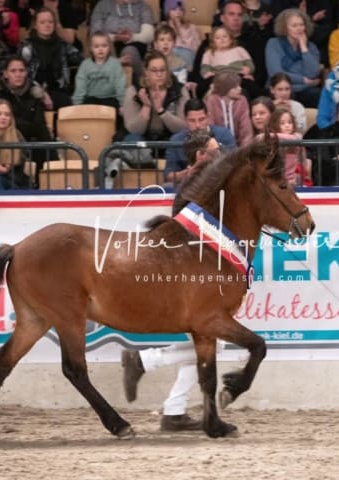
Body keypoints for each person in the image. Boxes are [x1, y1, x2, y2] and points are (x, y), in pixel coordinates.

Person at [121, 130, 226, 432]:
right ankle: (147, 364)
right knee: (211, 346)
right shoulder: (199, 185)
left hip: (192, 270)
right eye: (215, 150)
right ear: (200, 156)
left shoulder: (200, 183)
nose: (220, 154)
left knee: (209, 346)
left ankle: (173, 409)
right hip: (190, 274)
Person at [0, 56, 53, 171]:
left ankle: (50, 173)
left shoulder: (34, 95)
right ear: (5, 74)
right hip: (1, 139)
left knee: (43, 134)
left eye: (21, 71)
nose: (18, 74)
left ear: (26, 73)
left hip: (30, 141)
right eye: (13, 71)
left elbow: (39, 124)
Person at [190, 0, 270, 98]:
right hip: (214, 83)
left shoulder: (253, 42)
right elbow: (197, 73)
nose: (236, 18)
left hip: (243, 85)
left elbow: (260, 73)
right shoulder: (208, 43)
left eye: (240, 15)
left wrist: (249, 77)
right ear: (222, 18)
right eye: (231, 14)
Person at [18, 6, 83, 110]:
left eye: (50, 22)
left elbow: (81, 60)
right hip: (32, 89)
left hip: (57, 90)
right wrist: (42, 93)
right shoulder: (26, 47)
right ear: (35, 25)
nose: (47, 25)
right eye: (42, 22)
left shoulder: (62, 45)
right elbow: (22, 74)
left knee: (66, 103)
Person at [164, 97, 236, 184]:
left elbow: (235, 164)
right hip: (188, 185)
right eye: (192, 121)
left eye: (201, 119)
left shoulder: (224, 134)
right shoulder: (175, 140)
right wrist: (189, 172)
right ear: (185, 120)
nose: (197, 125)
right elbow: (169, 176)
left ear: (208, 117)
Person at [121, 50, 189, 142]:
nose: (159, 74)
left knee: (182, 139)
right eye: (154, 70)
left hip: (170, 140)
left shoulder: (180, 91)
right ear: (146, 72)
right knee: (132, 139)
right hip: (143, 141)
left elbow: (183, 128)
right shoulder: (133, 92)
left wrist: (161, 111)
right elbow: (134, 130)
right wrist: (146, 107)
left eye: (162, 70)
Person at [265, 8, 321, 108]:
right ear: (285, 28)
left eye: (301, 25)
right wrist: (304, 80)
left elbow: (312, 74)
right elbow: (276, 74)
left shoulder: (311, 47)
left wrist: (304, 48)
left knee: (316, 94)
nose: (299, 29)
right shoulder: (273, 43)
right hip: (279, 90)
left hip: (304, 91)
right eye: (294, 25)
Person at [89, 0, 155, 80]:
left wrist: (132, 37)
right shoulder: (102, 5)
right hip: (108, 44)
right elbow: (94, 33)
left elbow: (149, 35)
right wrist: (114, 37)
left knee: (129, 53)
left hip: (135, 44)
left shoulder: (143, 6)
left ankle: (141, 85)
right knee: (103, 50)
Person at [72, 31, 127, 109]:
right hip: (91, 98)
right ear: (91, 48)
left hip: (110, 98)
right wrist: (76, 106)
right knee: (88, 105)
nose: (100, 49)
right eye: (96, 46)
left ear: (109, 47)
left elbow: (120, 86)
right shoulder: (85, 65)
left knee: (112, 109)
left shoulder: (115, 64)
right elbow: (80, 87)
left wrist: (122, 105)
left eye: (104, 46)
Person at [205, 72, 252, 147]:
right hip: (217, 146)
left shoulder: (242, 101)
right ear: (225, 89)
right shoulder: (212, 100)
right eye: (235, 87)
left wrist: (243, 151)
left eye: (239, 86)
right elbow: (210, 125)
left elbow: (246, 130)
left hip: (238, 147)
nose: (240, 89)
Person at [267, 107, 311, 185]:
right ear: (275, 125)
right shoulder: (272, 140)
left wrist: (271, 135)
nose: (287, 125)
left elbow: (303, 159)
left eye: (290, 122)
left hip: (294, 179)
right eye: (282, 123)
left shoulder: (297, 136)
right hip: (276, 178)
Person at [163, 0, 201, 69]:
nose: (178, 12)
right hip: (169, 62)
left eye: (180, 9)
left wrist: (180, 27)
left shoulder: (192, 27)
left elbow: (197, 49)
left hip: (188, 59)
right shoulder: (163, 28)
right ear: (168, 12)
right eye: (174, 9)